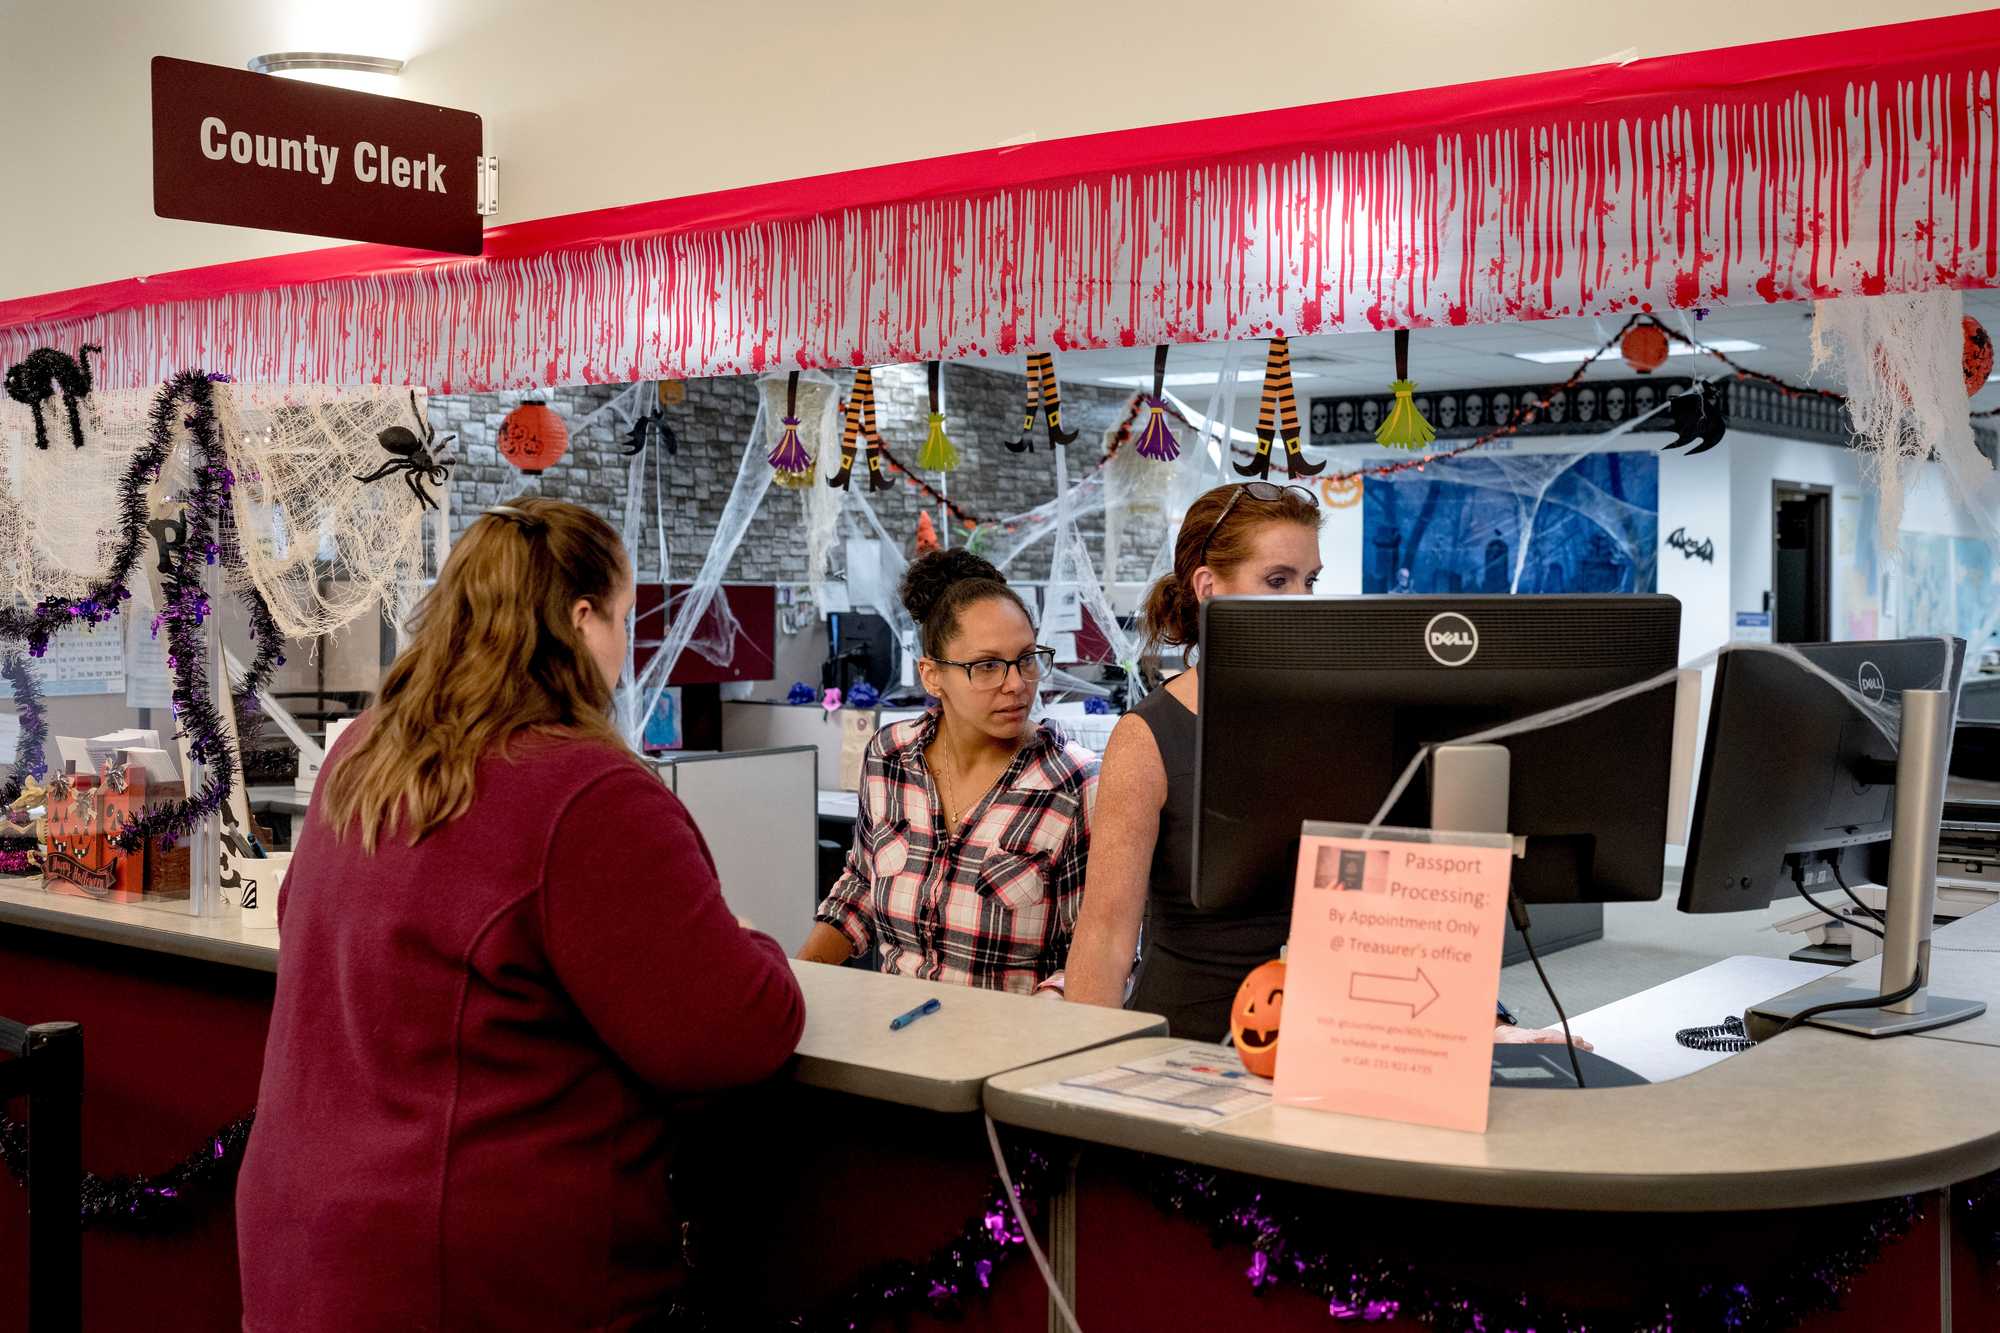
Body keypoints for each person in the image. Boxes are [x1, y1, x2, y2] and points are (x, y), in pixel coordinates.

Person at [237, 498, 805, 1333]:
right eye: (623, 620)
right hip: (470, 1276)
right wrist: (753, 938)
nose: (625, 648)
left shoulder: (361, 754)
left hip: (304, 1243)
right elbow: (737, 1027)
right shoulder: (586, 791)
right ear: (582, 620)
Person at [1066, 482, 1584, 1051]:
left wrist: (1487, 1026)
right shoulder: (1148, 737)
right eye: (1277, 580)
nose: (1301, 600)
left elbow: (1402, 913)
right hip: (1190, 1043)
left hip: (1338, 1037)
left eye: (1309, 581)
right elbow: (1107, 935)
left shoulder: (1348, 720)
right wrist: (1079, 1081)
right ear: (1209, 588)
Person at [799, 548, 1095, 993]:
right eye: (987, 666)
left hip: (1012, 1047)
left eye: (1027, 658)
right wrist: (792, 978)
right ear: (932, 675)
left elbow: (1098, 955)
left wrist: (1035, 1028)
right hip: (895, 1028)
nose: (1016, 684)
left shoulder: (1072, 783)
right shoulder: (890, 756)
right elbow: (861, 887)